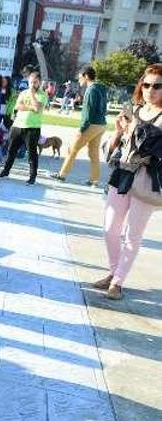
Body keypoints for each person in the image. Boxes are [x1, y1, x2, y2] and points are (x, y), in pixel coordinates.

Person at [94, 64, 162, 300]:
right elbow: (114, 147)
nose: (150, 90)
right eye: (146, 84)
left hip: (146, 179)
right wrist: (117, 131)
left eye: (157, 86)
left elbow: (153, 146)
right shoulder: (133, 110)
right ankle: (114, 272)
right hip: (122, 174)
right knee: (110, 228)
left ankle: (118, 282)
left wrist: (135, 128)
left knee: (132, 233)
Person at [53, 66, 108, 186]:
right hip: (101, 125)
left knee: (72, 149)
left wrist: (82, 129)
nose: (79, 80)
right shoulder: (101, 88)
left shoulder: (91, 89)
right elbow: (103, 108)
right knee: (94, 154)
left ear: (86, 76)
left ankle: (61, 175)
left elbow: (89, 112)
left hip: (92, 124)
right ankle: (94, 180)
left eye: (80, 77)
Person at [0, 70, 47, 185]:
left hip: (32, 128)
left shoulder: (42, 95)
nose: (32, 85)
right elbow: (18, 106)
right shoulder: (23, 93)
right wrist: (31, 107)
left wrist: (31, 95)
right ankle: (6, 171)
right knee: (11, 151)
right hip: (17, 126)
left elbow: (38, 108)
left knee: (32, 153)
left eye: (35, 82)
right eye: (30, 82)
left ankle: (32, 176)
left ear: (39, 83)